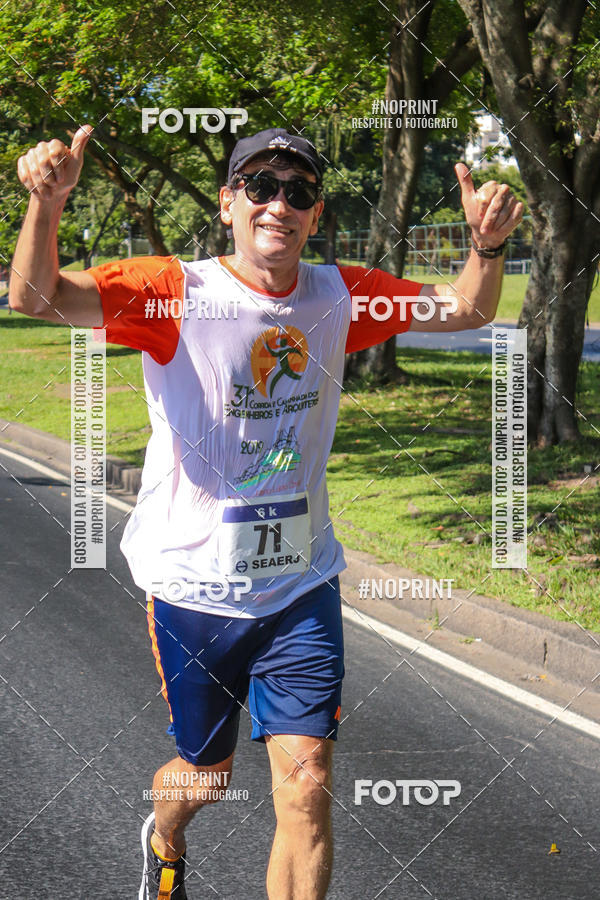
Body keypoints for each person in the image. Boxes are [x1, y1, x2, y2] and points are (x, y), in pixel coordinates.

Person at [10, 124, 523, 899]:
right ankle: (165, 831)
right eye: (261, 186)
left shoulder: (337, 293)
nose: (279, 203)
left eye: (300, 192)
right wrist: (46, 205)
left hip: (299, 585)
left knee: (306, 782)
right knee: (207, 777)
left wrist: (485, 248)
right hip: (194, 588)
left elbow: (463, 311)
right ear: (228, 204)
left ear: (315, 213)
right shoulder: (173, 290)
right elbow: (36, 297)